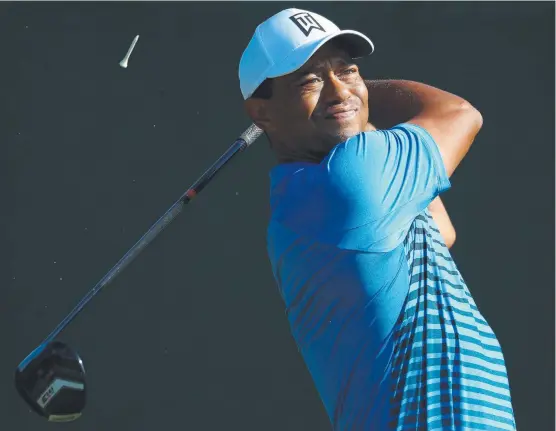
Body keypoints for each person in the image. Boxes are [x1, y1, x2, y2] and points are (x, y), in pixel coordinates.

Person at [239, 8, 516, 431]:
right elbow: (460, 113)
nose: (337, 89)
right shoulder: (349, 180)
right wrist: (359, 97)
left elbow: (442, 231)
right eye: (310, 79)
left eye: (348, 71)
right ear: (261, 113)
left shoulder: (314, 192)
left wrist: (348, 103)